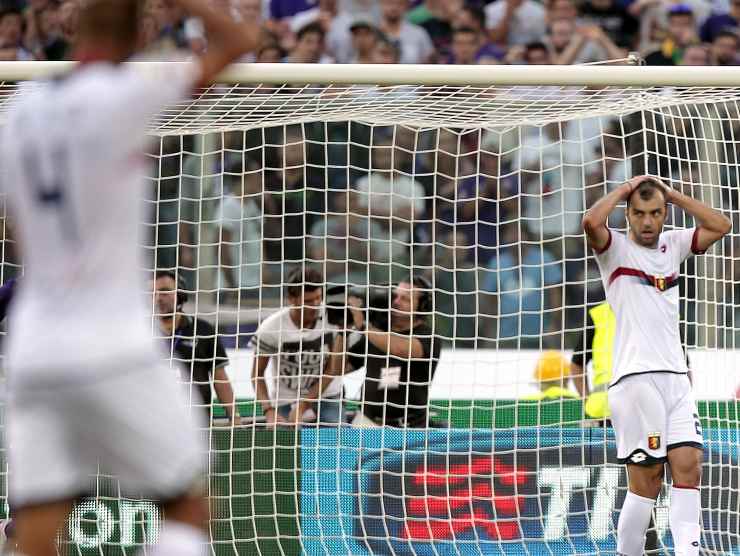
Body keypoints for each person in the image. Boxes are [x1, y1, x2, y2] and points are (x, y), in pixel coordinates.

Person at [0, 0, 257, 553]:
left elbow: (18, 227)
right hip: (112, 344)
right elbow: (237, 39)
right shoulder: (125, 95)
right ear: (140, 33)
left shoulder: (23, 105)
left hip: (32, 348)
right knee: (186, 504)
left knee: (38, 522)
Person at [582, 175, 731, 556]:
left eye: (655, 213)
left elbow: (721, 225)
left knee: (689, 465)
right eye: (639, 213)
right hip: (635, 381)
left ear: (664, 214)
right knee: (646, 482)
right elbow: (590, 223)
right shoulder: (613, 249)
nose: (647, 222)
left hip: (677, 378)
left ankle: (688, 552)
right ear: (628, 214)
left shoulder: (673, 243)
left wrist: (673, 195)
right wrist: (623, 189)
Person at [330, 276, 441, 427]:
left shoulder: (428, 336)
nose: (396, 302)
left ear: (423, 307)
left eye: (405, 299)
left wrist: (363, 326)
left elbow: (400, 348)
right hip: (367, 422)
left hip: (409, 427)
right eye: (395, 296)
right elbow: (338, 368)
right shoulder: (377, 331)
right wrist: (343, 331)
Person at [250, 266, 345, 427]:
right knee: (282, 446)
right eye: (308, 301)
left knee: (337, 444)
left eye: (319, 298)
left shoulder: (334, 318)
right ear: (292, 299)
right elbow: (257, 374)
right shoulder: (271, 328)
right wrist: (269, 410)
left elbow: (332, 370)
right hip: (285, 398)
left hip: (327, 395)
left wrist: (303, 405)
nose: (315, 305)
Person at [153, 270, 239, 424]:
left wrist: (234, 416)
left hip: (198, 425)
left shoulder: (203, 330)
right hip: (154, 424)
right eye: (152, 292)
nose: (158, 298)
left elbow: (220, 378)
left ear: (180, 294)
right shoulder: (138, 333)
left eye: (165, 292)